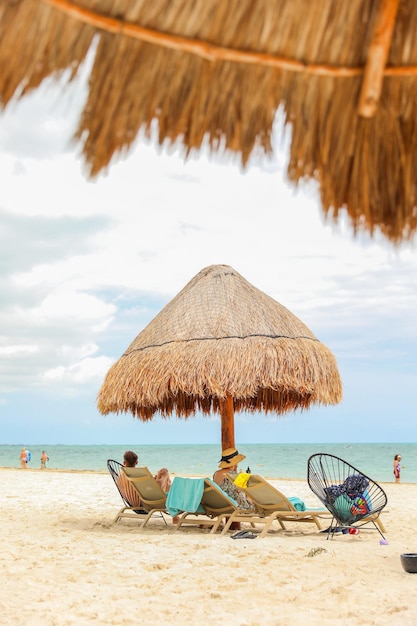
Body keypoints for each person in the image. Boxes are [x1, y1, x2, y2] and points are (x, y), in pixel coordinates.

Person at [213, 447, 255, 524]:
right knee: (251, 497)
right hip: (234, 506)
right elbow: (241, 493)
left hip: (220, 504)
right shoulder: (234, 475)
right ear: (235, 462)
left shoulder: (216, 473)